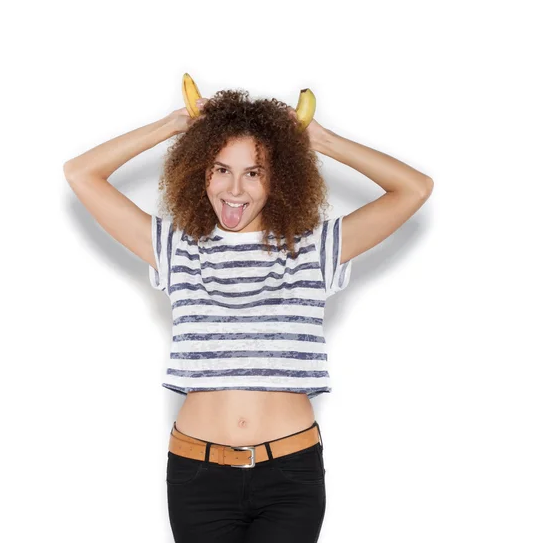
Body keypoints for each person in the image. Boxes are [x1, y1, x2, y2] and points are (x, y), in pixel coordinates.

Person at [63, 88, 434, 542]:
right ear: (201, 172)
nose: (234, 189)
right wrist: (174, 126)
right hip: (197, 476)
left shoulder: (313, 250)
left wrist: (321, 141)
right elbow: (79, 173)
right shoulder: (176, 247)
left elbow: (415, 188)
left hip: (290, 476)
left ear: (278, 179)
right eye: (221, 169)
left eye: (253, 173)